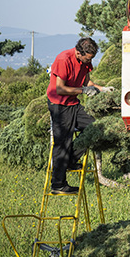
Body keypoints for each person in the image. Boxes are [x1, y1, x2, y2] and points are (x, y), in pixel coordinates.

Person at [46, 37, 110, 195]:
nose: (90, 62)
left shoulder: (86, 62)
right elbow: (59, 88)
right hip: (59, 105)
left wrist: (103, 89)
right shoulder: (63, 59)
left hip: (73, 103)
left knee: (95, 128)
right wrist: (82, 91)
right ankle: (58, 185)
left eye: (92, 59)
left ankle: (71, 161)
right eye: (88, 58)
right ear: (79, 53)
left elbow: (88, 82)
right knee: (63, 142)